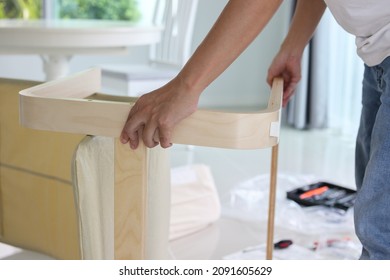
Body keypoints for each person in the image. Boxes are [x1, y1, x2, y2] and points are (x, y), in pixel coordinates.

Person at [120, 0, 390, 260]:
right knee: (374, 209)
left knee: (380, 228)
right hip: (377, 55)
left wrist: (185, 86)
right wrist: (293, 45)